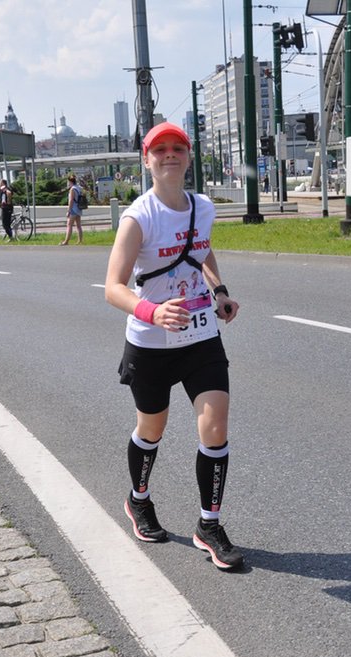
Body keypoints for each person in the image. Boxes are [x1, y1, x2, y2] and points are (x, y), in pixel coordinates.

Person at [104, 121, 244, 570]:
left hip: (199, 335)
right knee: (152, 429)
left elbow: (201, 251)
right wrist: (152, 311)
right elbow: (113, 287)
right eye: (159, 149)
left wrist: (220, 291)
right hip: (150, 343)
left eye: (177, 148)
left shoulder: (203, 208)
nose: (169, 155)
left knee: (215, 426)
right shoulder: (138, 218)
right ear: (147, 160)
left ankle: (209, 524)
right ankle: (138, 499)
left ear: (188, 157)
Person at [60, 174, 83, 245]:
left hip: (73, 209)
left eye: (68, 182)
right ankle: (80, 241)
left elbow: (71, 200)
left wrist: (68, 211)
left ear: (70, 181)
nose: (67, 183)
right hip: (79, 208)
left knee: (69, 225)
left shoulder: (72, 189)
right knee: (78, 225)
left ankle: (66, 241)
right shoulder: (79, 188)